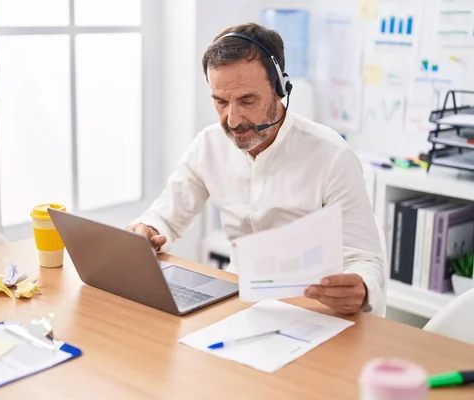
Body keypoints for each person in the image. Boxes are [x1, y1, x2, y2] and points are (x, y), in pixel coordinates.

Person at [126, 23, 386, 316]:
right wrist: (148, 230)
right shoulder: (208, 145)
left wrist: (361, 287)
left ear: (280, 89)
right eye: (220, 102)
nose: (233, 120)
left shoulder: (332, 156)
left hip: (316, 308)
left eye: (247, 100)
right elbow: (164, 217)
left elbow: (364, 260)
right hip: (244, 302)